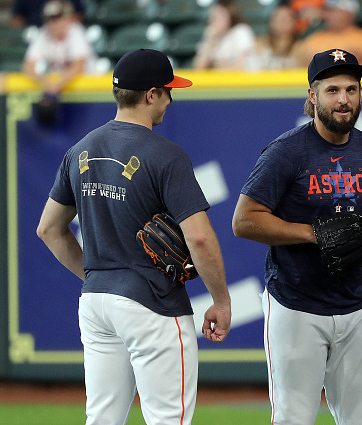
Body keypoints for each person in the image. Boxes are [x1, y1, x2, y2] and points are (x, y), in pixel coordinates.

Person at [37, 48, 232, 425]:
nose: (171, 100)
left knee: (103, 419)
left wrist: (100, 278)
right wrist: (221, 302)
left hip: (95, 304)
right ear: (151, 94)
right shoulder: (166, 155)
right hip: (152, 305)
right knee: (166, 420)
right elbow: (201, 239)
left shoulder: (79, 150)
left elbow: (48, 228)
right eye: (168, 91)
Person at [233, 48, 362, 425]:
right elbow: (244, 221)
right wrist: (315, 234)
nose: (343, 99)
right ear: (313, 96)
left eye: (351, 89)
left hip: (356, 306)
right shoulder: (287, 151)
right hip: (295, 305)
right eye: (332, 90)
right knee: (294, 419)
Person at [22, 0, 96, 125]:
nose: (53, 23)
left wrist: (54, 86)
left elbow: (79, 66)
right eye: (49, 19)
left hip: (90, 93)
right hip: (65, 91)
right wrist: (46, 83)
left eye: (57, 18)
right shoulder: (43, 34)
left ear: (68, 18)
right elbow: (27, 66)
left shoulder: (76, 31)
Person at [295, 0, 362, 66]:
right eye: (327, 11)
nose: (328, 15)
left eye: (334, 11)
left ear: (349, 13)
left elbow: (355, 59)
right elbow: (300, 60)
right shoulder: (315, 38)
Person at [193, 0, 256, 70]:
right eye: (212, 16)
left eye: (218, 16)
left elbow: (240, 67)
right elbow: (199, 68)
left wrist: (214, 66)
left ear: (229, 16)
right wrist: (210, 41)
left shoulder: (241, 31)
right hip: (215, 80)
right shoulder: (210, 34)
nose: (212, 20)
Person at [247, 4, 300, 70]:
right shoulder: (261, 44)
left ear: (293, 22)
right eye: (280, 19)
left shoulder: (300, 47)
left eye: (286, 19)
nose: (283, 23)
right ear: (271, 22)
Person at [10, 0, 85, 27]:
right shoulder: (42, 37)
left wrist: (60, 27)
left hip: (66, 37)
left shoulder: (75, 36)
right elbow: (16, 19)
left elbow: (78, 16)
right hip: (35, 32)